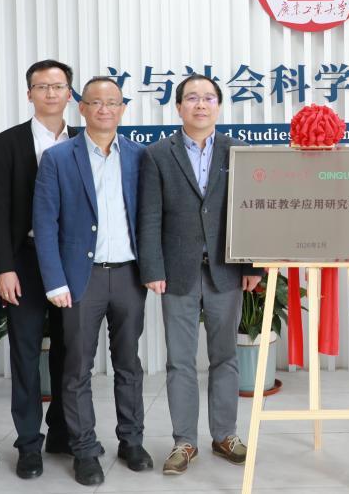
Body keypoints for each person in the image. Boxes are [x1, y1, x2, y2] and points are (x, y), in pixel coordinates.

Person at [137, 74, 263, 475]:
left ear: (218, 106)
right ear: (178, 107)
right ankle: (184, 442)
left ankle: (225, 435)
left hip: (226, 270)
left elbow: (251, 212)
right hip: (177, 272)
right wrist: (153, 268)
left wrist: (252, 265)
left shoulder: (238, 151)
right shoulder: (157, 154)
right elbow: (149, 216)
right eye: (192, 98)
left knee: (225, 356)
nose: (201, 104)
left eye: (209, 98)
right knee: (180, 360)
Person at [32, 76, 149, 486]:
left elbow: (149, 218)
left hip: (129, 275)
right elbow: (45, 224)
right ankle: (84, 449)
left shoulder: (139, 156)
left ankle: (132, 441)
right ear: (81, 107)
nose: (104, 109)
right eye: (96, 102)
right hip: (81, 279)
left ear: (122, 108)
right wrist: (54, 281)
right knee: (77, 368)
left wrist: (153, 271)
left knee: (129, 364)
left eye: (112, 102)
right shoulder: (58, 158)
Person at [0, 60, 77, 478]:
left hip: (70, 262)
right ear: (29, 94)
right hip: (24, 260)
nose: (51, 93)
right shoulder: (8, 142)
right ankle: (28, 443)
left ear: (70, 93)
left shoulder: (83, 139)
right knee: (24, 353)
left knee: (69, 350)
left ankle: (62, 431)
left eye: (58, 86)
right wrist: (3, 267)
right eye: (42, 86)